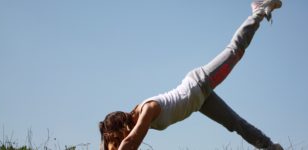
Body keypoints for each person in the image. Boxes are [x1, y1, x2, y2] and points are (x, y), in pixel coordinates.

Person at [99, 0, 283, 149]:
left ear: (122, 128)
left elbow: (131, 142)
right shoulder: (138, 122)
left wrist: (121, 145)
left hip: (199, 83)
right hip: (199, 101)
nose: (117, 147)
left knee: (235, 50)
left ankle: (259, 10)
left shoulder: (147, 109)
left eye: (116, 142)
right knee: (234, 123)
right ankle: (271, 147)